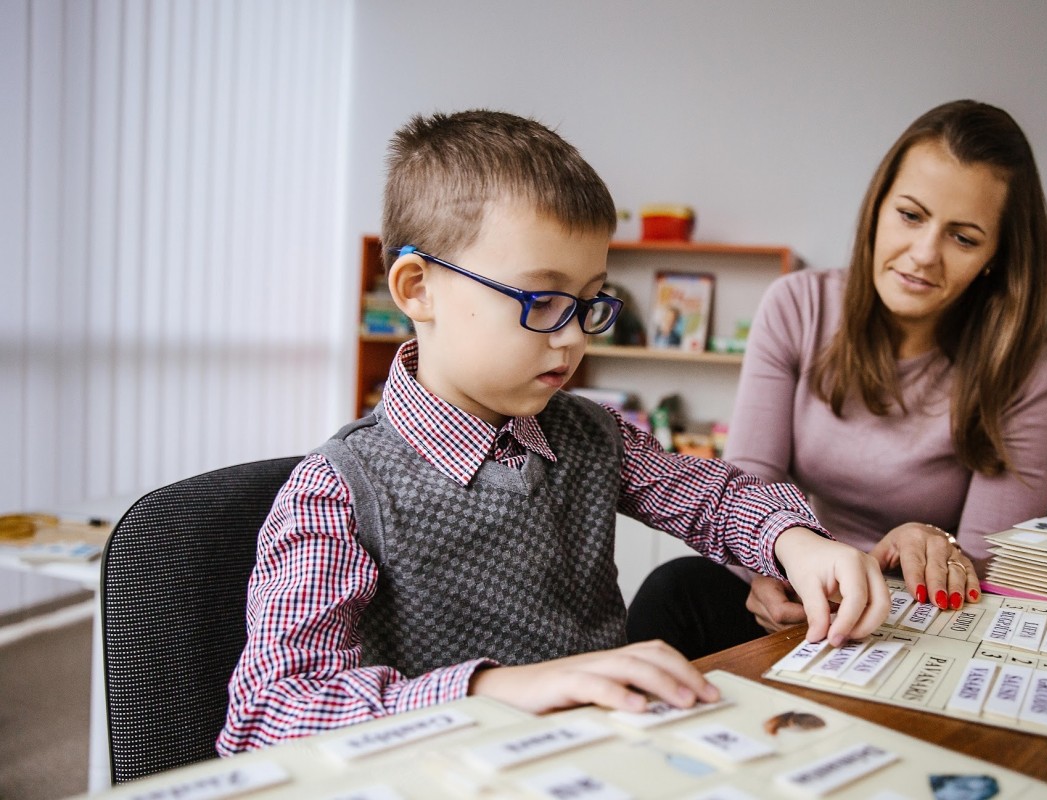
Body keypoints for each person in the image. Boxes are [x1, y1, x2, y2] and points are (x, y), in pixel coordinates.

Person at [218, 110, 891, 754]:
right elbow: (270, 714)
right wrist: (493, 689)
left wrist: (793, 540)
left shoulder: (590, 434)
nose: (571, 337)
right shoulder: (336, 490)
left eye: (589, 301)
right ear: (417, 287)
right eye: (540, 301)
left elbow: (713, 497)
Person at [627, 99, 1047, 659]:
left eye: (963, 237)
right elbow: (745, 485)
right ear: (878, 208)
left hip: (922, 614)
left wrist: (915, 552)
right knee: (675, 591)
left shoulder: (1029, 362)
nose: (924, 255)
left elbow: (991, 563)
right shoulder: (798, 305)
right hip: (802, 586)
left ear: (996, 257)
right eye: (910, 216)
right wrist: (774, 562)